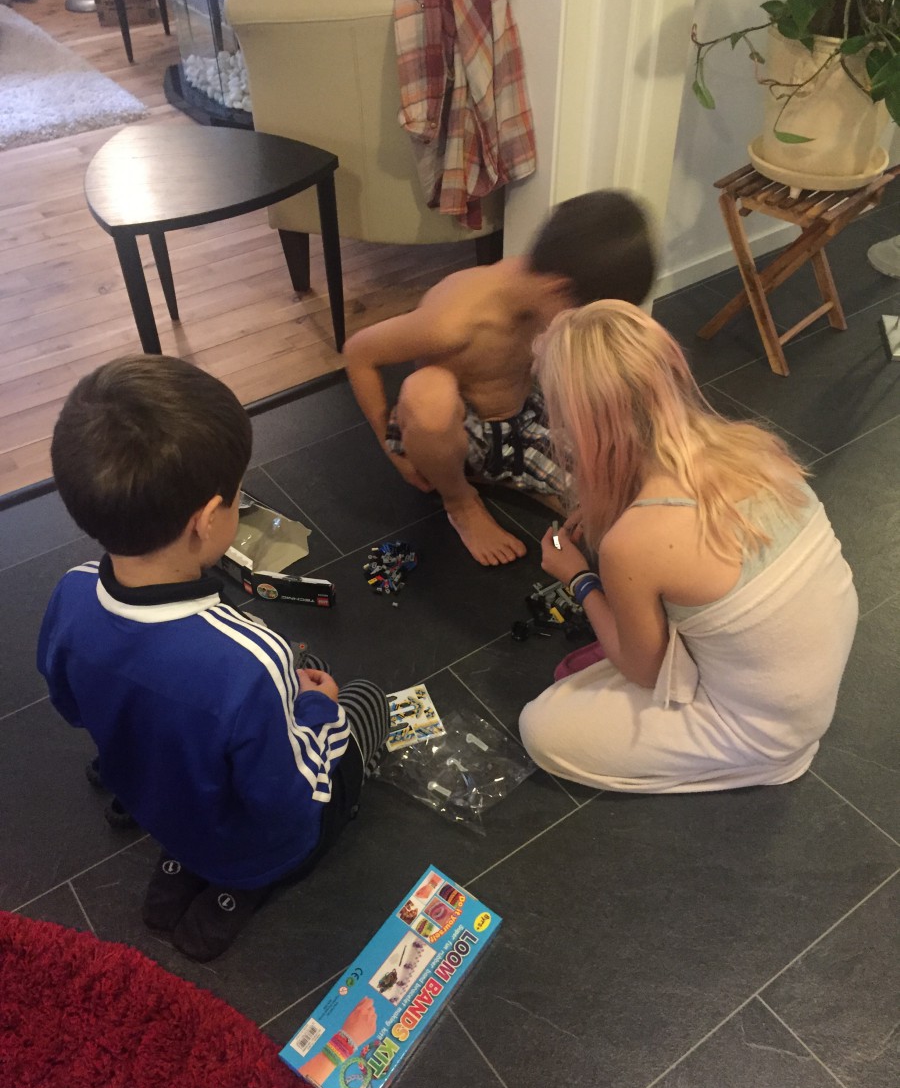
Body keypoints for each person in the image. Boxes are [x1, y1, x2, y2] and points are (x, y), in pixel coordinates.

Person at [37, 356, 389, 962]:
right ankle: (244, 883)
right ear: (204, 521)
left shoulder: (70, 592)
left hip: (156, 803)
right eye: (237, 497)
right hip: (260, 845)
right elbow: (287, 798)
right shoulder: (252, 659)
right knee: (361, 700)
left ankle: (187, 865)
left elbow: (70, 706)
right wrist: (317, 708)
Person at [519, 301, 858, 792]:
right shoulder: (755, 445)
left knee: (541, 727)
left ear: (583, 425)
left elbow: (643, 671)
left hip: (769, 730)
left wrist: (578, 577)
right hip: (807, 681)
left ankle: (757, 761)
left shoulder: (632, 544)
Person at [342, 191, 656, 566]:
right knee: (427, 394)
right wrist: (392, 453)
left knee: (623, 498)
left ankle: (513, 475)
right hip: (459, 434)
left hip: (526, 416)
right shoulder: (453, 320)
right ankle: (460, 501)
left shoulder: (546, 294)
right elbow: (358, 353)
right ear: (558, 290)